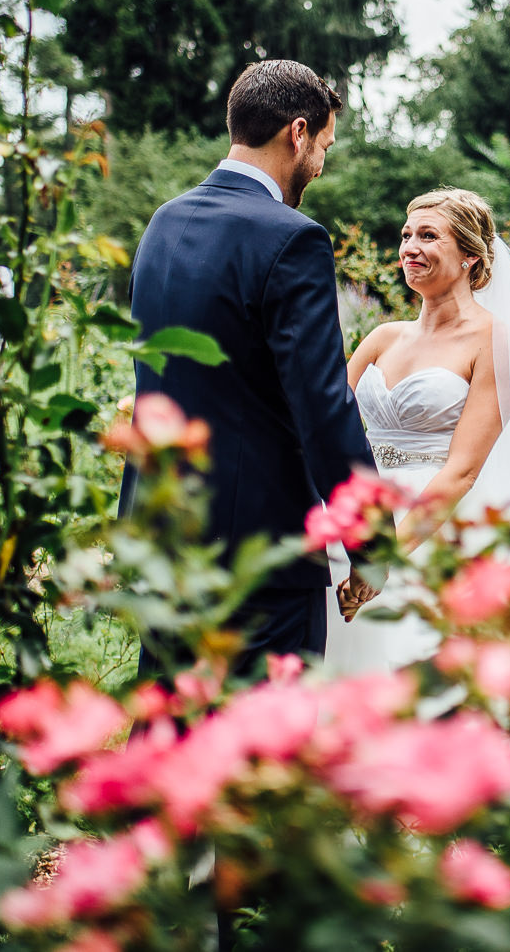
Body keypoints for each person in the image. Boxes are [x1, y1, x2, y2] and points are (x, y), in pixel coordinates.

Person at [125, 59, 375, 678]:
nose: (320, 162)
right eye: (323, 145)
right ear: (297, 133)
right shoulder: (292, 239)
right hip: (256, 549)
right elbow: (323, 407)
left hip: (165, 530)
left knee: (173, 727)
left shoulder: (165, 221)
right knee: (258, 750)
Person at [324, 188, 510, 673]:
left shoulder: (497, 342)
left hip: (440, 524)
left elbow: (461, 471)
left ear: (469, 256)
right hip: (365, 512)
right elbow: (324, 418)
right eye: (405, 236)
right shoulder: (382, 338)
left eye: (428, 235)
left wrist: (383, 557)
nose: (409, 248)